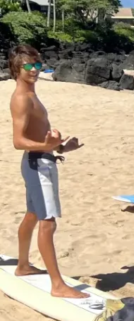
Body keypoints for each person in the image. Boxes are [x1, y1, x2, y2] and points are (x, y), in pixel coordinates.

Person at [8, 44, 88, 298]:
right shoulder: (21, 98)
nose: (34, 70)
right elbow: (18, 140)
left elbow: (39, 136)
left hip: (42, 159)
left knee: (33, 214)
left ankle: (22, 265)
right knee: (47, 222)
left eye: (37, 65)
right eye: (28, 66)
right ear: (16, 68)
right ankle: (57, 285)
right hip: (36, 164)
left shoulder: (32, 95)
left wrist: (61, 147)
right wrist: (45, 146)